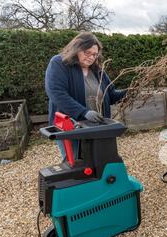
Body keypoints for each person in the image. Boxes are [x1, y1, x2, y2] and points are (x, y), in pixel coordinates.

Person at [45, 31, 127, 161]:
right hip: (71, 127)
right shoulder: (59, 63)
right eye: (87, 53)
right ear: (76, 49)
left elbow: (110, 95)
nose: (91, 57)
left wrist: (130, 92)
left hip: (97, 127)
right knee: (76, 164)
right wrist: (83, 112)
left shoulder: (97, 70)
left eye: (94, 54)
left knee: (99, 162)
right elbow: (56, 93)